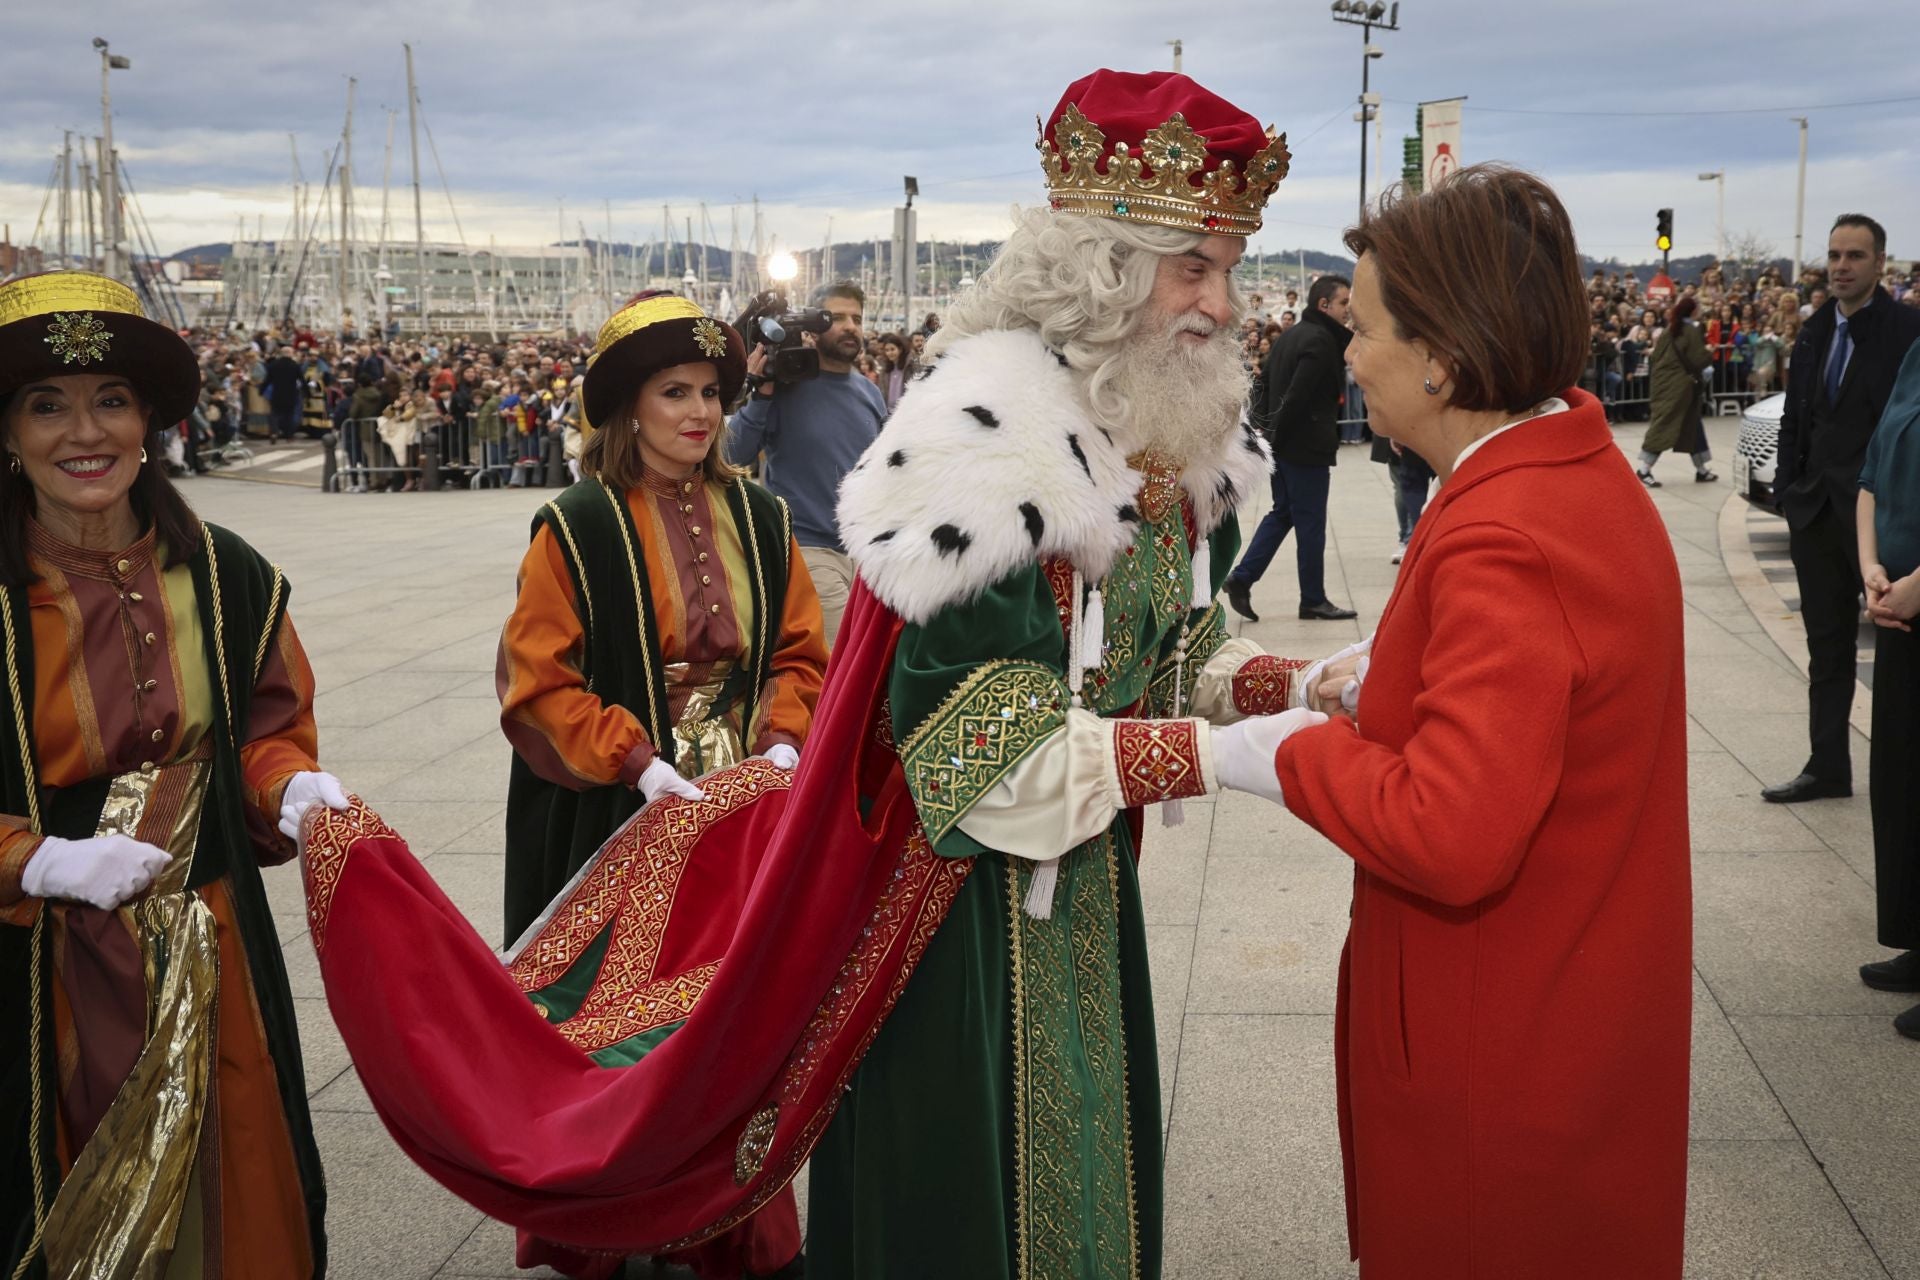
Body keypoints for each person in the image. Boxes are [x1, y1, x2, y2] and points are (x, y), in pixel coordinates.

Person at [808, 68, 1329, 1278]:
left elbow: (1166, 646)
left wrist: (1299, 685)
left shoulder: (1147, 419)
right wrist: (1217, 756)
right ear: (1104, 264)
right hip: (953, 931)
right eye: (1191, 264)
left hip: (1077, 888)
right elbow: (976, 759)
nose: (1221, 301)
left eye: (1229, 265)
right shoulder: (985, 446)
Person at [1272, 165, 1692, 1278]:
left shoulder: (1504, 529)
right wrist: (1391, 673)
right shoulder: (1573, 467)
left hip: (1497, 1056)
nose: (1350, 354)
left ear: (1444, 359)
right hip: (1577, 1020)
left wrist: (1275, 754)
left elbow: (1450, 831)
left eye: (1364, 329)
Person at [0, 272, 346, 1275]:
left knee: (241, 1167)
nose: (84, 431)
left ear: (148, 420)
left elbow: (268, 723)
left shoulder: (228, 570)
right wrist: (36, 860)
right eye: (46, 404)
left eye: (111, 399)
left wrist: (286, 785)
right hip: (50, 963)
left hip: (216, 931)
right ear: (10, 433)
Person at [496, 293, 827, 1279]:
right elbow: (537, 677)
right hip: (620, 804)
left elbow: (804, 651)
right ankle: (603, 1226)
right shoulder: (575, 523)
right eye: (673, 391)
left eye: (712, 392)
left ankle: (735, 1222)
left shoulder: (764, 516)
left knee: (735, 1027)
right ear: (626, 407)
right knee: (611, 1036)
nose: (697, 411)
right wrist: (636, 759)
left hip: (740, 805)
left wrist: (782, 741)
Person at [1765, 214, 1920, 803]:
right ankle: (1827, 765)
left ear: (1880, 262)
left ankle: (1901, 776)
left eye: (1854, 255)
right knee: (1826, 649)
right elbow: (1794, 417)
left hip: (1884, 523)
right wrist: (1787, 488)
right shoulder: (1813, 330)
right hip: (1815, 516)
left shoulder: (1907, 330)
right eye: (1833, 255)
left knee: (1899, 647)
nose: (1840, 266)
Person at [726, 282, 886, 647]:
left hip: (865, 552)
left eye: (857, 319)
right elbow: (733, 456)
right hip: (810, 550)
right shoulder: (783, 389)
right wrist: (761, 394)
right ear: (812, 324)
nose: (851, 327)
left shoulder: (869, 393)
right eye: (838, 317)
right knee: (835, 666)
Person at [1222, 273, 1361, 622]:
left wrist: (1267, 438)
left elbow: (1264, 385)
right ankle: (1313, 599)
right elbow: (1297, 396)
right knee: (1310, 523)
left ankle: (1242, 577)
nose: (1348, 310)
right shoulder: (1320, 341)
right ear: (1323, 304)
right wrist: (1275, 439)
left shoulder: (1291, 336)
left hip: (1284, 446)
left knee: (1283, 513)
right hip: (1304, 448)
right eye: (1344, 303)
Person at [1859, 343, 1920, 1034]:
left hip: (1912, 596)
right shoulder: (1912, 357)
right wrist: (1872, 569)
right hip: (1897, 604)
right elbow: (1872, 475)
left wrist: (1913, 588)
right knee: (1902, 779)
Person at [1636, 296, 1716, 486]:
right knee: (1665, 425)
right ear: (1693, 311)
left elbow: (1656, 357)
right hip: (1680, 387)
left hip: (1665, 384)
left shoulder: (1669, 330)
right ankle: (1644, 469)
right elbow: (1698, 358)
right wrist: (1710, 353)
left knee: (1692, 427)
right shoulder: (1692, 330)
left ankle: (1701, 470)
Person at [262, 343, 303, 441]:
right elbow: (302, 380)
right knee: (289, 415)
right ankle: (289, 435)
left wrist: (261, 390)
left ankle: (274, 433)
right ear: (290, 353)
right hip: (290, 393)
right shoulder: (295, 365)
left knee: (274, 414)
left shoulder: (274, 365)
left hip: (277, 393)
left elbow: (267, 379)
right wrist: (307, 392)